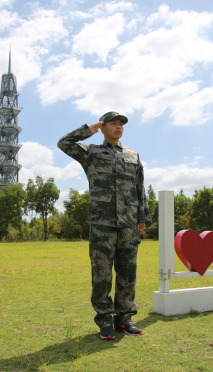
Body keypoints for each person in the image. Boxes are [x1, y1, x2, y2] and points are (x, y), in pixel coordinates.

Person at [57, 111, 151, 340]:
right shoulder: (91, 152)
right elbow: (64, 143)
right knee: (101, 275)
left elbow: (140, 187)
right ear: (103, 127)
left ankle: (124, 319)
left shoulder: (132, 154)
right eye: (113, 123)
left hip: (128, 223)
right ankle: (104, 321)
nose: (118, 127)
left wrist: (142, 218)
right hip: (102, 223)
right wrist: (88, 129)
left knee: (128, 273)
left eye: (121, 124)